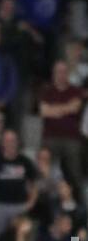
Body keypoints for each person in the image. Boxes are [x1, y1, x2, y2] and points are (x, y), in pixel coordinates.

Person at [0, 128, 38, 241]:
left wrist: (31, 202)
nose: (10, 143)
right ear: (2, 142)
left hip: (19, 206)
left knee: (19, 239)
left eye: (12, 140)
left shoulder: (25, 162)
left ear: (17, 142)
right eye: (7, 140)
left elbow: (34, 183)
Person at [39, 60, 86, 195]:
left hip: (71, 138)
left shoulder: (75, 90)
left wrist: (54, 109)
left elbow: (75, 107)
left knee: (75, 173)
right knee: (47, 173)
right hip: (50, 137)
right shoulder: (46, 91)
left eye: (64, 72)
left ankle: (79, 203)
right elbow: (43, 111)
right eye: (58, 72)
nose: (61, 75)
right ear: (53, 74)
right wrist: (66, 108)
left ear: (68, 74)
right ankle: (50, 200)